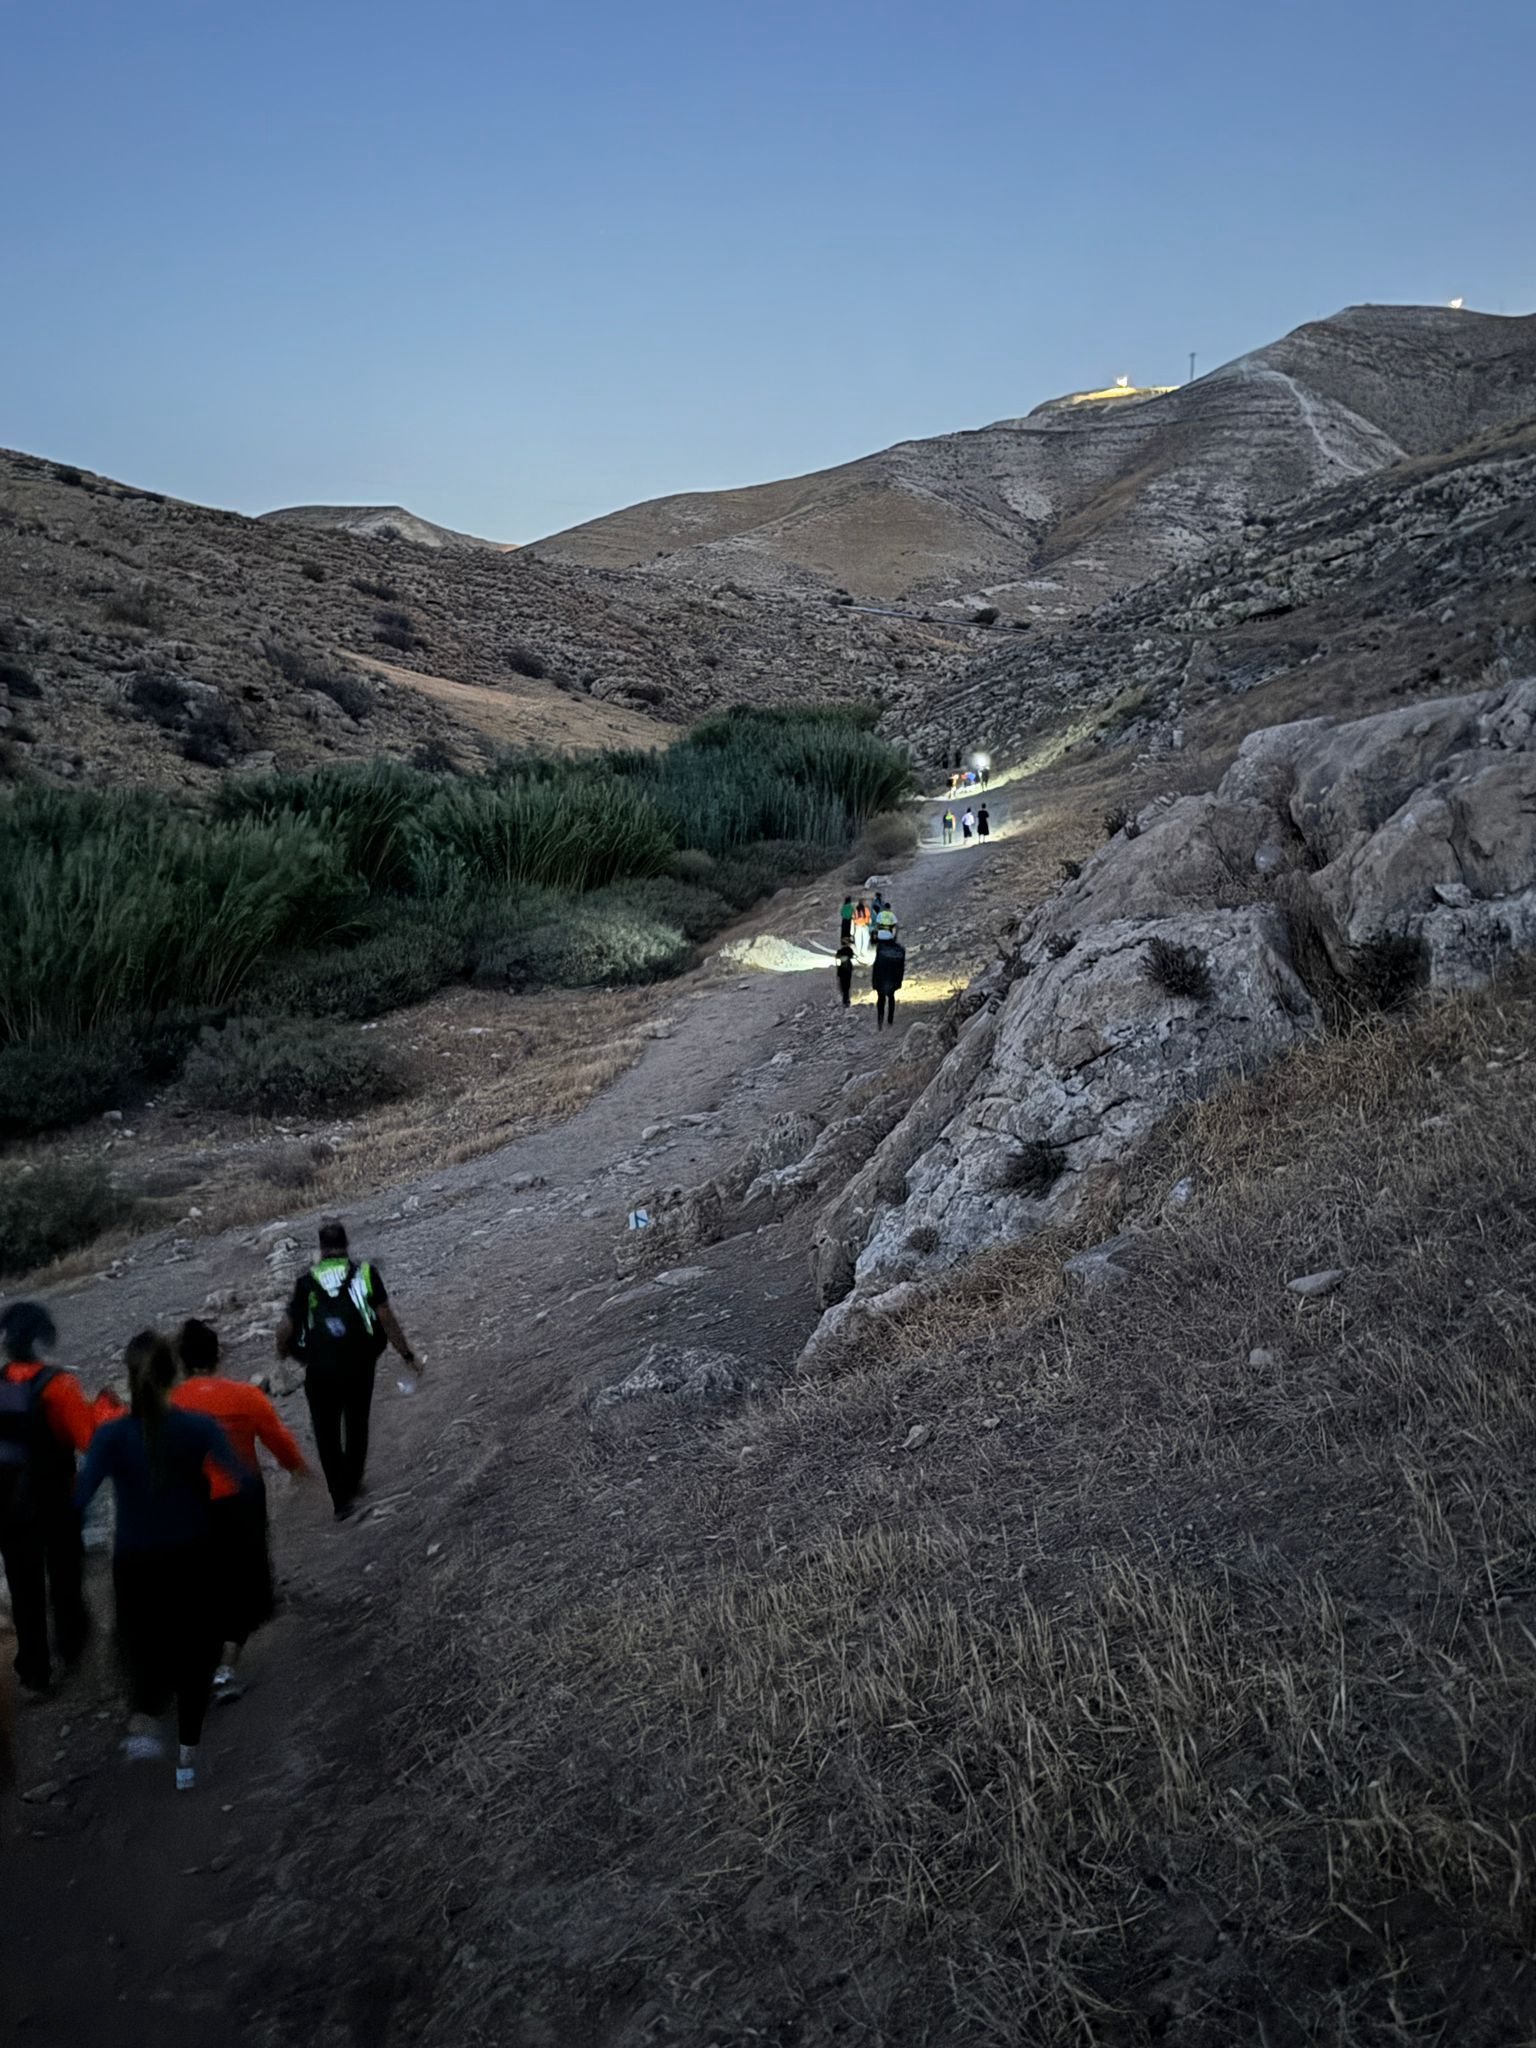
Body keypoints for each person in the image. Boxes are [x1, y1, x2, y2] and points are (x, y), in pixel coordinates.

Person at [76, 1330, 248, 1791]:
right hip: (192, 1551)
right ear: (175, 1375)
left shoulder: (112, 1435)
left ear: (130, 1379)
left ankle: (143, 1721)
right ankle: (187, 1761)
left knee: (141, 1640)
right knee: (196, 1650)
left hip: (134, 1558)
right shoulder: (198, 1427)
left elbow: (81, 1495)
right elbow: (241, 1481)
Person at [172, 1319, 308, 1702]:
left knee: (202, 1581)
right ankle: (226, 1667)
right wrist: (297, 1468)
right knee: (242, 1579)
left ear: (181, 1361)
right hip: (241, 1497)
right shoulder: (244, 1396)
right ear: (218, 1354)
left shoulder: (169, 1406)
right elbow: (278, 1440)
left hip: (189, 1503)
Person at [276, 1220, 418, 1521]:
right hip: (359, 1363)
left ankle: (340, 1499)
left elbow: (285, 1327)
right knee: (356, 1423)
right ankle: (353, 1481)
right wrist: (405, 1353)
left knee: (326, 1434)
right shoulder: (365, 1273)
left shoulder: (305, 1282)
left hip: (319, 1369)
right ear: (345, 1245)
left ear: (321, 1248)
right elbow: (386, 1316)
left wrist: (284, 1353)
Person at [0, 1302, 97, 1695]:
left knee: (23, 1587)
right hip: (55, 1498)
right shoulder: (59, 1385)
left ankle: (34, 1672)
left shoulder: (1, 1382)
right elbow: (89, 1439)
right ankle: (71, 1649)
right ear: (41, 1339)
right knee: (64, 1577)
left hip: (7, 1505)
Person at [871, 935, 906, 1031]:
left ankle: (880, 1021)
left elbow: (876, 967)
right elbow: (901, 968)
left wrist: (874, 982)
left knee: (881, 999)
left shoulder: (881, 949)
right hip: (893, 979)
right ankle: (890, 1020)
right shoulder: (900, 950)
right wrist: (899, 981)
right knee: (891, 997)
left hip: (881, 979)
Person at [834, 938, 854, 1008]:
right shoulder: (849, 950)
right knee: (847, 986)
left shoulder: (840, 951)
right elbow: (852, 956)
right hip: (847, 970)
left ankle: (845, 1000)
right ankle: (846, 1000)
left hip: (841, 970)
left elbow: (837, 959)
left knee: (843, 986)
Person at [852, 899, 873, 964]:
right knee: (866, 939)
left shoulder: (855, 910)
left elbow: (853, 918)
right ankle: (863, 951)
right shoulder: (866, 909)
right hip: (864, 925)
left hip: (857, 926)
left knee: (858, 939)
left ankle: (858, 952)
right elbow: (869, 917)